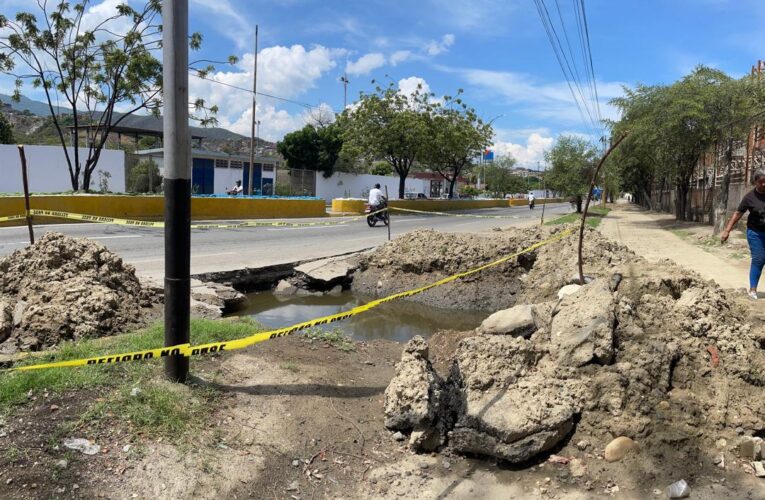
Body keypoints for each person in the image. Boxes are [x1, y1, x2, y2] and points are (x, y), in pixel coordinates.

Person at [721, 169, 765, 300]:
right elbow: (738, 213)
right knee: (759, 259)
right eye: (761, 182)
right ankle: (752, 290)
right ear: (755, 182)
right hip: (755, 233)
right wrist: (727, 230)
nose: (764, 184)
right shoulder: (749, 197)